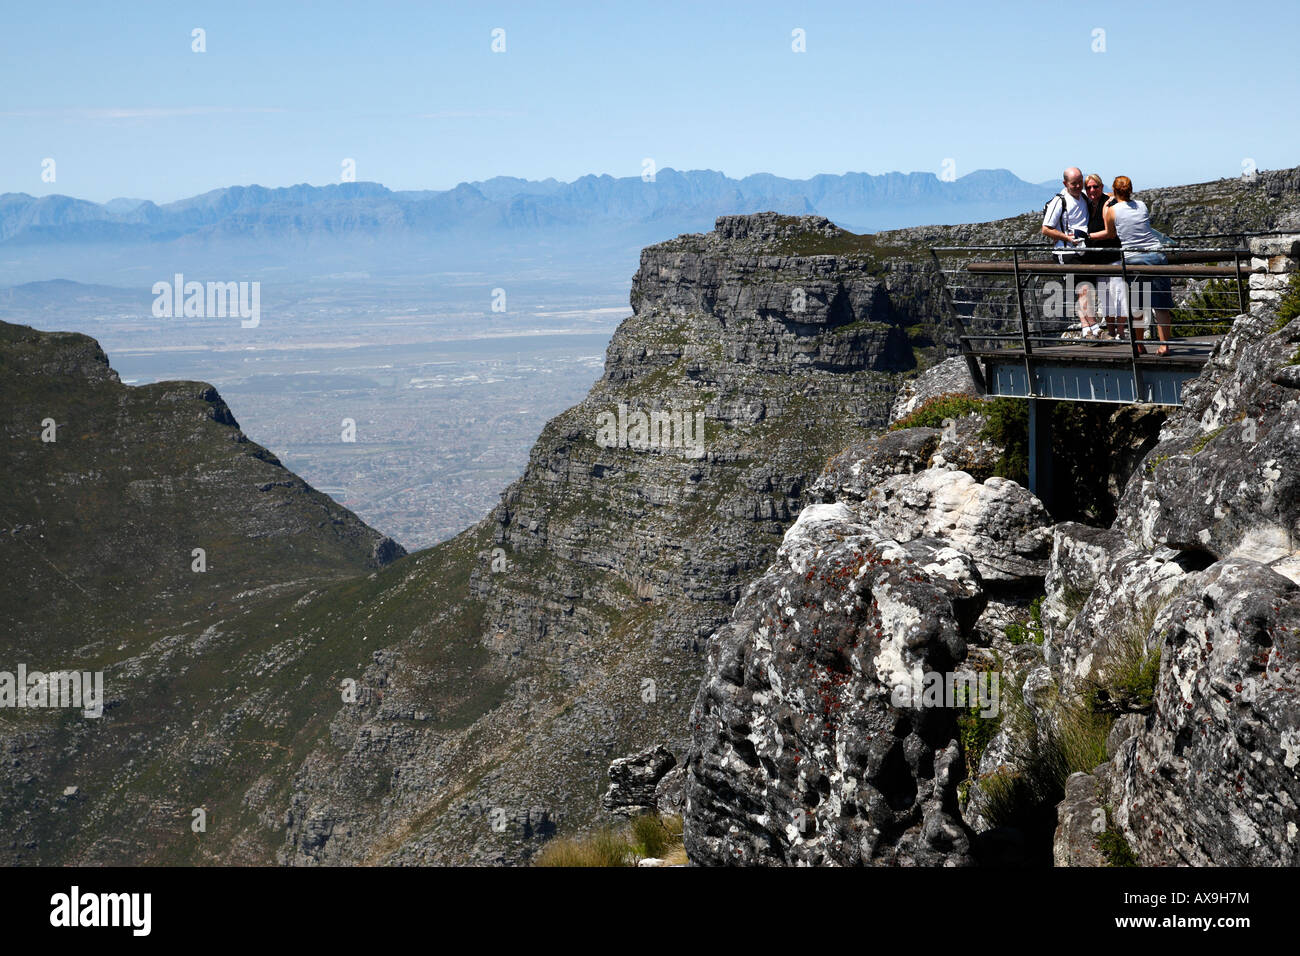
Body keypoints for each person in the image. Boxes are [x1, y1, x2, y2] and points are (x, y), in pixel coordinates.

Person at [1094, 176, 1174, 355]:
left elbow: (1109, 233)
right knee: (1160, 306)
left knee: (1139, 305)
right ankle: (1165, 345)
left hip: (1134, 260)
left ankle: (1139, 344)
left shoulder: (1112, 210)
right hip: (1156, 255)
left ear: (1114, 191)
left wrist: (1107, 206)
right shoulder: (1142, 205)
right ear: (1130, 189)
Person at [1041, 167, 1092, 329]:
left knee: (1085, 291)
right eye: (1073, 183)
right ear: (1065, 183)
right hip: (1067, 252)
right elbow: (1046, 228)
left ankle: (1088, 328)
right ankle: (1090, 327)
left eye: (1080, 182)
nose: (1078, 186)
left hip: (1084, 251)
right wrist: (1066, 238)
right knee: (1083, 290)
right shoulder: (1059, 201)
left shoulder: (1083, 197)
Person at [1080, 174, 1125, 339]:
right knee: (1106, 301)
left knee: (1119, 297)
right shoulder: (1089, 205)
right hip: (1098, 261)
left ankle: (1120, 332)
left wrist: (1089, 236)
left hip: (1113, 258)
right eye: (1089, 187)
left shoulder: (1109, 203)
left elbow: (1111, 234)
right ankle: (1112, 331)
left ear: (1101, 186)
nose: (1092, 190)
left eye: (1095, 186)